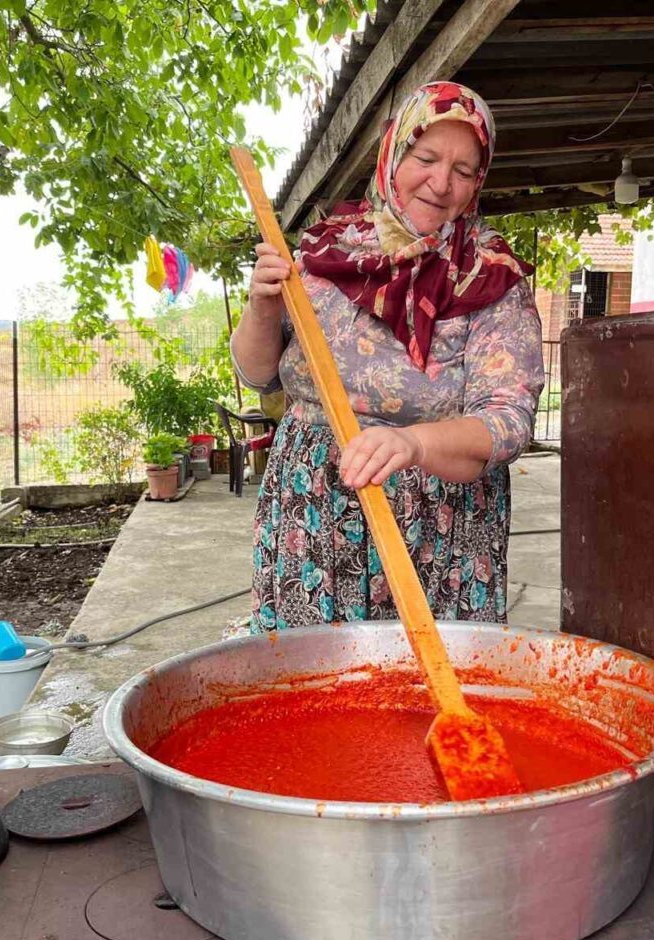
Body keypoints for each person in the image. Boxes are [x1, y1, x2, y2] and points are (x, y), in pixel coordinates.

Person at [231, 81, 545, 632]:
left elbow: (507, 422)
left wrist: (411, 442)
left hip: (439, 526)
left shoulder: (490, 278)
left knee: (425, 694)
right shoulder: (323, 255)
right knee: (313, 687)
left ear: (478, 182)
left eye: (464, 170)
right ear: (393, 153)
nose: (441, 182)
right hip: (314, 511)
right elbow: (258, 376)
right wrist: (261, 306)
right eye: (425, 157)